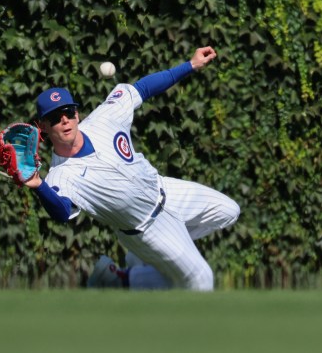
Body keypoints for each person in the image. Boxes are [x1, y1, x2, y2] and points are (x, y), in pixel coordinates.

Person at [24, 46, 240, 291]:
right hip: (145, 227)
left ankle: (124, 278)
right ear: (42, 127)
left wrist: (190, 65)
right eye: (55, 117)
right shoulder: (61, 175)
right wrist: (39, 185)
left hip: (166, 190)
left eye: (68, 112)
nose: (64, 120)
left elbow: (142, 89)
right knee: (201, 279)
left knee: (229, 211)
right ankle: (154, 266)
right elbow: (62, 213)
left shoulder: (105, 117)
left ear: (76, 113)